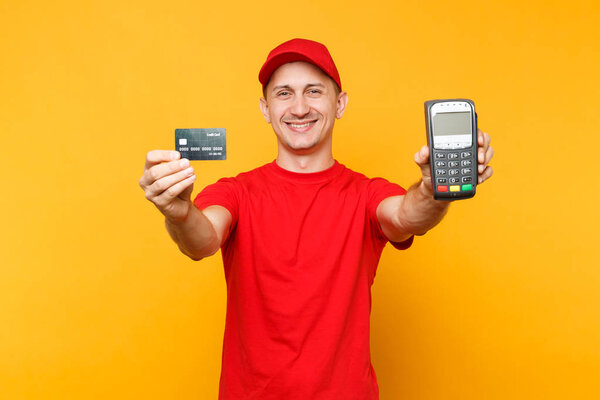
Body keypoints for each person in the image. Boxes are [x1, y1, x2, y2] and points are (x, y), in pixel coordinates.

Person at [139, 38, 494, 400]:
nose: (299, 107)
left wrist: (433, 187)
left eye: (313, 91)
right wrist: (179, 211)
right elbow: (202, 239)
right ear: (265, 108)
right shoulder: (236, 192)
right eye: (283, 94)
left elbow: (407, 216)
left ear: (339, 104)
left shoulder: (366, 193)